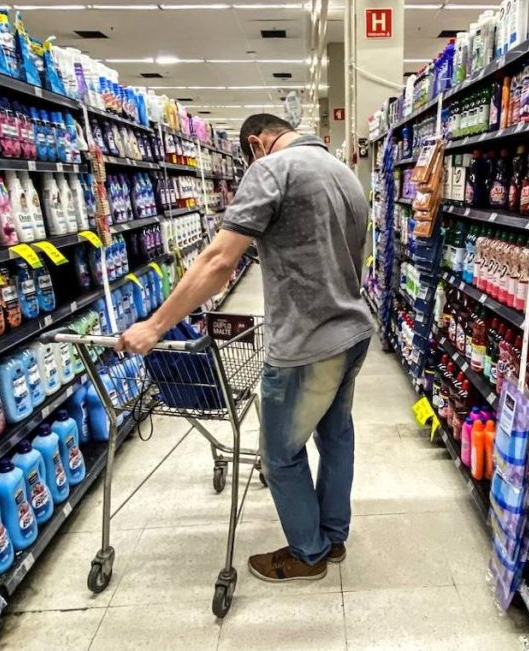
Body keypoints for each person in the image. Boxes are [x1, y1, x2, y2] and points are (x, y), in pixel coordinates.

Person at [116, 113, 374, 582]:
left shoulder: (271, 169)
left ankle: (308, 553)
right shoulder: (343, 172)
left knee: (279, 454)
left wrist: (155, 326)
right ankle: (333, 536)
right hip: (352, 332)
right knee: (335, 437)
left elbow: (218, 261)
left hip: (306, 343)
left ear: (256, 143)